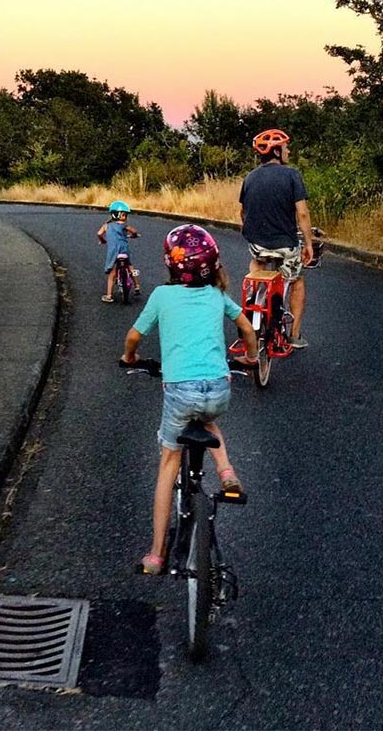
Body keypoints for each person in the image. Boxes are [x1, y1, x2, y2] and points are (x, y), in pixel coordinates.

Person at [120, 224, 258, 575]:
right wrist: (251, 357)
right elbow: (246, 327)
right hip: (218, 390)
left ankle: (155, 553)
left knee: (169, 462)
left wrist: (130, 358)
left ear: (171, 265)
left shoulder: (162, 297)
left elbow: (133, 337)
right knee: (210, 421)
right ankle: (226, 470)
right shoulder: (216, 295)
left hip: (180, 391)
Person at [239, 129, 314, 347]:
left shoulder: (250, 177)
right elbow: (302, 213)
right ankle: (295, 335)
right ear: (277, 151)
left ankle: (254, 301)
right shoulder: (292, 175)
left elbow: (243, 213)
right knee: (297, 280)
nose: (288, 150)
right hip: (285, 245)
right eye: (286, 147)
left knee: (257, 262)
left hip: (257, 244)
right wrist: (308, 243)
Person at [97, 200, 142, 303]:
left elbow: (99, 233)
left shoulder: (106, 226)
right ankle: (137, 286)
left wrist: (103, 240)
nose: (125, 217)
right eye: (124, 215)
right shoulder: (124, 226)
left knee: (112, 274)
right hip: (124, 251)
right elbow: (134, 231)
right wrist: (134, 235)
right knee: (131, 267)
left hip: (114, 252)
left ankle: (109, 295)